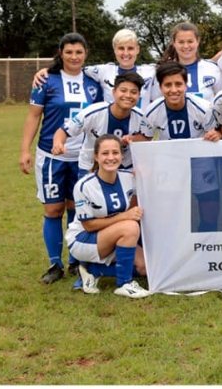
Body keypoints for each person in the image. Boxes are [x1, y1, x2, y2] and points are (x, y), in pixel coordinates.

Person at [19, 32, 104, 283]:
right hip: (51, 155)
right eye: (69, 52)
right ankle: (55, 264)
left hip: (83, 157)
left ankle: (76, 260)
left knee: (76, 208)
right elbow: (33, 116)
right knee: (53, 208)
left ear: (85, 54)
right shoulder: (47, 80)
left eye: (79, 52)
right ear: (61, 53)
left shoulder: (94, 83)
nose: (74, 57)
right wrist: (24, 150)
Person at [65, 135, 150, 298]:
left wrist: (145, 170)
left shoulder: (129, 178)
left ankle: (93, 270)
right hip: (83, 239)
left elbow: (136, 204)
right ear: (96, 157)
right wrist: (124, 217)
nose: (111, 158)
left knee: (145, 267)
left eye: (115, 153)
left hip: (113, 235)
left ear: (122, 156)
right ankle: (124, 283)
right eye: (105, 153)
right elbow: (89, 225)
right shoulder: (84, 185)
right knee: (130, 226)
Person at [53, 72, 150, 178]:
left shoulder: (142, 118)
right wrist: (58, 143)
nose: (128, 95)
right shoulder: (92, 113)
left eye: (133, 92)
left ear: (139, 95)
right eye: (123, 90)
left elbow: (147, 137)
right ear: (114, 92)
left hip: (125, 169)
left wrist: (133, 139)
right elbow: (64, 130)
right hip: (90, 167)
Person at [32, 28, 157, 111]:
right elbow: (73, 66)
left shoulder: (151, 72)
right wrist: (48, 70)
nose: (125, 53)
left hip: (140, 135)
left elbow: (168, 72)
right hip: (110, 135)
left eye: (130, 48)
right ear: (114, 50)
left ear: (137, 49)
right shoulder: (103, 71)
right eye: (121, 48)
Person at [153, 21, 222, 102]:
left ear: (198, 41)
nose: (186, 46)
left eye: (190, 41)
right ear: (174, 43)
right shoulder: (163, 71)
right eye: (181, 42)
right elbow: (156, 102)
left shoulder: (212, 69)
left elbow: (221, 101)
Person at [143, 61, 216, 140]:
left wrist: (216, 134)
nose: (174, 90)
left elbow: (215, 135)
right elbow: (144, 139)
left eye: (178, 84)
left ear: (185, 85)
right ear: (160, 87)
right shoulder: (151, 111)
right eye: (168, 85)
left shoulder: (205, 109)